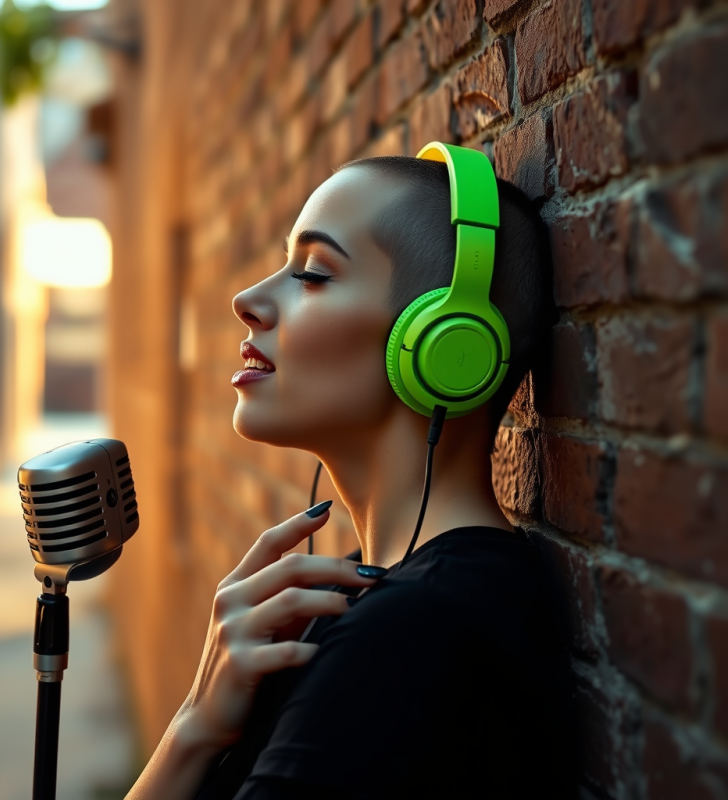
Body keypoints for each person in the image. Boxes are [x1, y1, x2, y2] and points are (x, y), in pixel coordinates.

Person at [125, 148, 577, 799]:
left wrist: (193, 735)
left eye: (312, 274)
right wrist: (195, 723)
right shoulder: (370, 596)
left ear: (448, 347)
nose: (247, 301)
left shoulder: (410, 636)